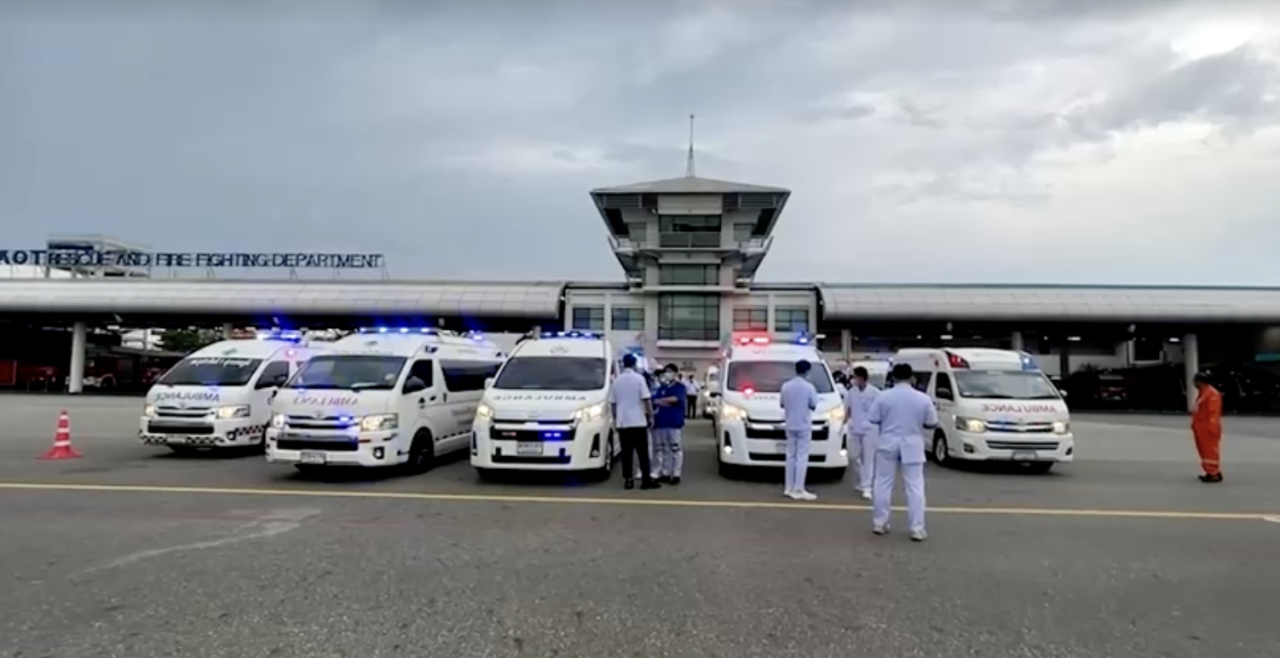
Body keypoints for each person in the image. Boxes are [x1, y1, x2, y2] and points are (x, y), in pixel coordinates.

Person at [867, 363, 938, 541]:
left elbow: (873, 418)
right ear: (911, 377)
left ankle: (880, 522)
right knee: (915, 486)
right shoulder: (922, 398)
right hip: (912, 443)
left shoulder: (883, 397)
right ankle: (917, 528)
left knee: (882, 483)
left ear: (893, 377)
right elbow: (932, 422)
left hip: (887, 442)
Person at [610, 353, 659, 490]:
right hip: (638, 421)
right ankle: (646, 480)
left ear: (623, 364)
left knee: (627, 453)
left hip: (623, 422)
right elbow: (646, 399)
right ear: (634, 364)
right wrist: (651, 416)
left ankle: (628, 480)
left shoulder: (617, 381)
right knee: (642, 452)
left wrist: (615, 419)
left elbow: (613, 403)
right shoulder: (639, 379)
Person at [779, 359, 819, 501]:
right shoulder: (809, 387)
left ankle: (788, 487)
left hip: (790, 423)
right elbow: (813, 405)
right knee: (802, 457)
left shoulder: (786, 386)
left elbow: (782, 404)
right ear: (807, 371)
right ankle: (799, 488)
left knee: (790, 456)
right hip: (803, 425)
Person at [844, 366, 881, 500]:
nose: (854, 380)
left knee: (868, 459)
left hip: (870, 429)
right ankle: (862, 479)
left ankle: (867, 487)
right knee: (853, 456)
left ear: (862, 378)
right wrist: (843, 423)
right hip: (855, 428)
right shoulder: (851, 392)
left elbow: (880, 412)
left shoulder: (875, 393)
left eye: (855, 377)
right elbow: (847, 409)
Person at [651, 364, 688, 485]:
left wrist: (662, 401)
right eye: (666, 371)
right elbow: (654, 401)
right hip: (661, 422)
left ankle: (676, 474)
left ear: (676, 373)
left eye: (670, 371)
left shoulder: (680, 387)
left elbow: (675, 399)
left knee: (675, 448)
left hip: (673, 423)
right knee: (663, 449)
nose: (667, 373)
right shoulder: (662, 387)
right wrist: (664, 402)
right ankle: (665, 472)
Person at [1191, 372, 1224, 483]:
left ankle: (1213, 473)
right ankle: (1210, 471)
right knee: (1204, 450)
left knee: (1209, 450)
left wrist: (1212, 427)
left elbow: (1213, 412)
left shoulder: (1211, 394)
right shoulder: (1203, 393)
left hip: (1207, 426)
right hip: (1201, 426)